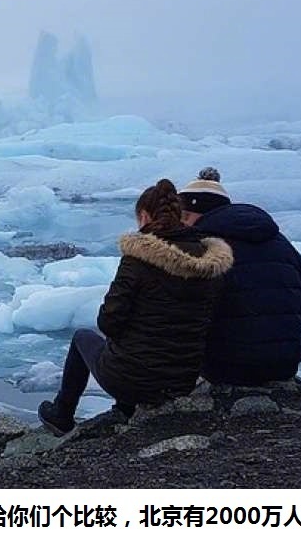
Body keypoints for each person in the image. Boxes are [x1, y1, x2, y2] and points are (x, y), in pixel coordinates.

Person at [38, 179, 234, 436]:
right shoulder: (210, 263)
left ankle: (62, 414)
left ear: (144, 216)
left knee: (83, 338)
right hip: (182, 379)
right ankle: (126, 409)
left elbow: (109, 322)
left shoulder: (137, 261)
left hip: (131, 380)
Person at [178, 168, 301, 386]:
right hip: (286, 364)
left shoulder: (204, 247)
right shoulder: (281, 242)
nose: (181, 224)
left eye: (183, 216)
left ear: (192, 214)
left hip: (227, 368)